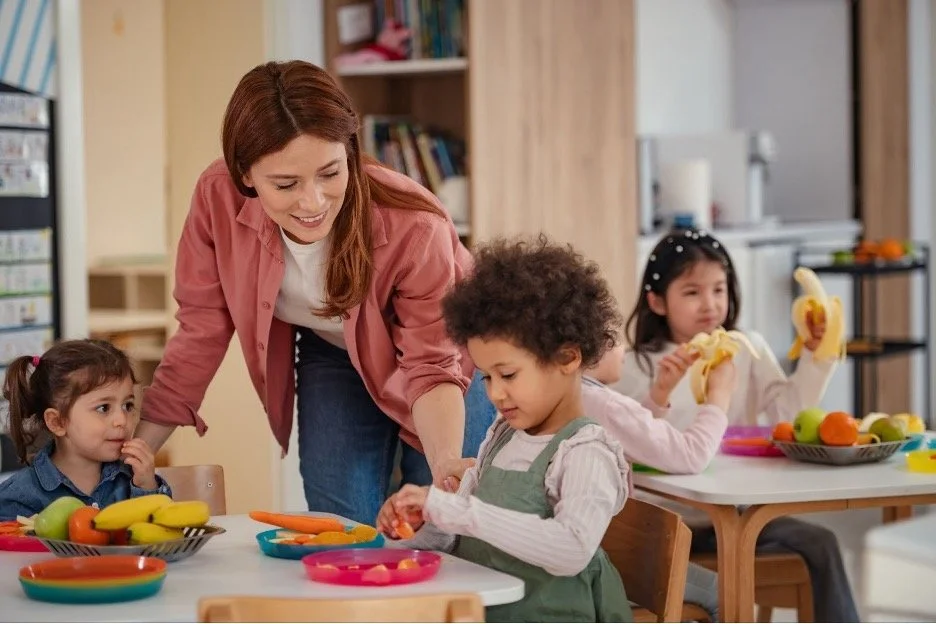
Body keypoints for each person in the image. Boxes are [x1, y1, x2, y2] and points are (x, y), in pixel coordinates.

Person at [133, 60, 494, 525]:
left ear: (349, 150)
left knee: (446, 526)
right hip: (334, 354)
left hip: (451, 367)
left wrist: (446, 463)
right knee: (341, 526)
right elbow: (201, 326)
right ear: (245, 174)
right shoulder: (216, 197)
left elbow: (432, 362)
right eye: (285, 184)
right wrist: (141, 447)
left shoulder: (415, 225)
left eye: (330, 173)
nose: (313, 202)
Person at [377, 235, 632, 622]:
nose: (496, 393)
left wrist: (457, 510)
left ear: (567, 357)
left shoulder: (586, 453)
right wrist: (417, 529)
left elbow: (571, 550)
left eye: (508, 374)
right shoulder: (503, 436)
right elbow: (460, 534)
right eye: (486, 378)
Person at [615, 227, 858, 623]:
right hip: (669, 522)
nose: (709, 304)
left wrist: (817, 357)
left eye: (719, 289)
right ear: (657, 301)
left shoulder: (747, 350)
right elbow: (629, 443)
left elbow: (788, 415)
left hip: (743, 517)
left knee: (821, 542)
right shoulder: (636, 365)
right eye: (692, 292)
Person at [0, 340, 170, 521]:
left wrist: (147, 487)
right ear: (57, 422)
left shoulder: (134, 479)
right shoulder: (18, 498)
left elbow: (162, 538)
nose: (122, 420)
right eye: (103, 408)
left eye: (127, 406)